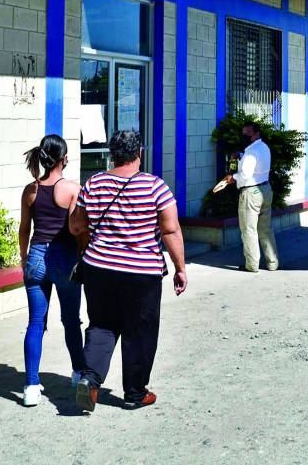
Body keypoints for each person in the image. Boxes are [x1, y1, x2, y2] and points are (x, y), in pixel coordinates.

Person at [69, 130, 188, 412]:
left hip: (99, 269)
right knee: (140, 330)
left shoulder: (94, 183)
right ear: (140, 153)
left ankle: (90, 380)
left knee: (101, 325)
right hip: (141, 273)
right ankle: (135, 393)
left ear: (112, 154)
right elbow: (170, 229)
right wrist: (180, 268)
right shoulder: (155, 186)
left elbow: (76, 226)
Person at [18, 134, 86, 407]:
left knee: (36, 323)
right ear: (62, 159)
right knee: (71, 321)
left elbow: (25, 229)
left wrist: (24, 258)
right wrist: (83, 255)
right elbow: (77, 229)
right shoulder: (71, 189)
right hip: (64, 258)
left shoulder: (30, 190)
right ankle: (79, 372)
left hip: (36, 255)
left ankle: (31, 386)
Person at [224, 122, 279, 272]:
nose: (245, 136)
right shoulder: (263, 147)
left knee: (249, 230)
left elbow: (246, 174)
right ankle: (272, 262)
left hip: (251, 192)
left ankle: (252, 265)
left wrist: (232, 178)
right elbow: (256, 164)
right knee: (265, 229)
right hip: (265, 190)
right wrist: (241, 156)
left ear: (256, 133)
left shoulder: (251, 153)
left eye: (247, 133)